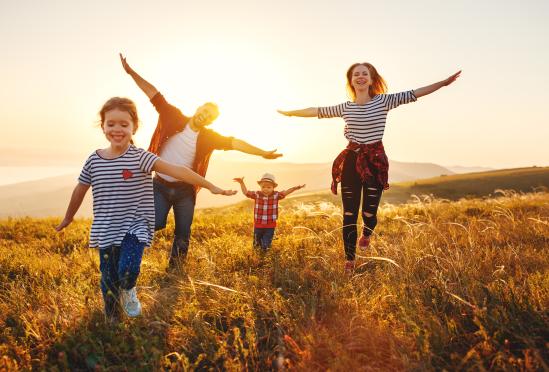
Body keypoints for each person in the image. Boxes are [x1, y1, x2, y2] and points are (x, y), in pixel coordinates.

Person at [56, 97, 235, 320]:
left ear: (134, 127)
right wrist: (68, 217)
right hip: (106, 229)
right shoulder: (94, 160)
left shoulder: (141, 157)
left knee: (127, 271)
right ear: (103, 126)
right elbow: (80, 188)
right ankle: (112, 318)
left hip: (135, 227)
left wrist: (210, 186)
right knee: (108, 278)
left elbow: (179, 170)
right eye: (111, 124)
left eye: (124, 124)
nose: (117, 129)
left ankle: (129, 289)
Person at [278, 63, 460, 272]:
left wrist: (443, 83)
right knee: (349, 214)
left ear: (372, 80)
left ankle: (367, 233)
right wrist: (291, 113)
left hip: (374, 162)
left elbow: (415, 93)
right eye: (356, 74)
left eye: (365, 74)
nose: (361, 77)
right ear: (351, 80)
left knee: (369, 213)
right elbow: (316, 110)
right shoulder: (345, 107)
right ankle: (350, 259)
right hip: (351, 162)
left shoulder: (384, 101)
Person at [120, 54, 283, 269]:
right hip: (159, 185)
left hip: (185, 189)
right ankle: (124, 246)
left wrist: (262, 153)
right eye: (203, 112)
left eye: (209, 116)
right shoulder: (173, 117)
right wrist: (132, 73)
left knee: (183, 232)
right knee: (156, 222)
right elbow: (153, 94)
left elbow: (236, 143)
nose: (204, 116)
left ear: (211, 121)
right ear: (197, 110)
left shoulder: (209, 137)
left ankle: (175, 269)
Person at [234, 173, 305, 250]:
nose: (266, 189)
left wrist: (295, 188)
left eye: (269, 187)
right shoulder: (257, 194)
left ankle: (265, 252)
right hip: (258, 225)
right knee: (256, 245)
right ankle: (258, 257)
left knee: (265, 245)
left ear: (273, 188)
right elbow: (246, 192)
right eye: (263, 187)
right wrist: (241, 183)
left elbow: (286, 192)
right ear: (260, 187)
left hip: (270, 226)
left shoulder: (276, 195)